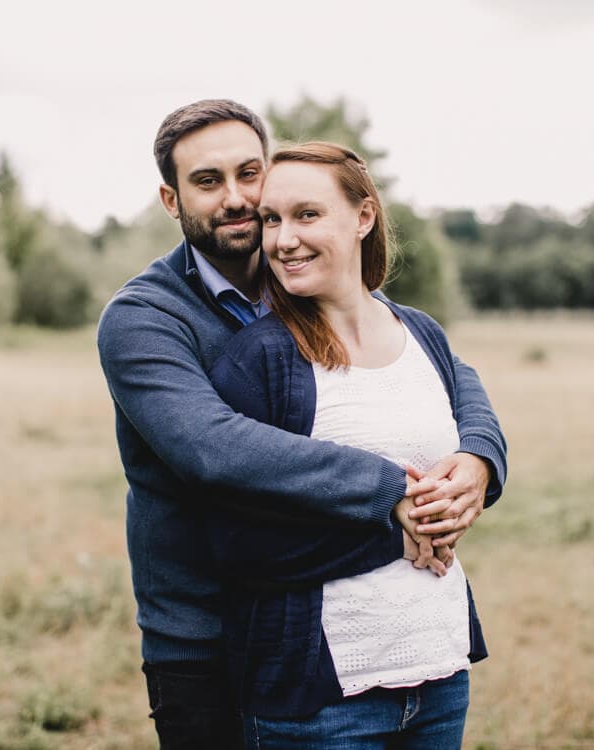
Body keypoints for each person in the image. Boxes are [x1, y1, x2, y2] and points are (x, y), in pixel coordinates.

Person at [96, 100, 507, 749]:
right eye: (207, 181)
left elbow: (441, 368)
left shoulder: (303, 275)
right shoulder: (143, 318)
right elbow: (211, 446)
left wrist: (479, 458)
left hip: (330, 628)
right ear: (171, 200)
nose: (236, 198)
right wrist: (395, 495)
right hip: (201, 636)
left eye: (248, 173)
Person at [208, 142, 492, 748]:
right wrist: (395, 533)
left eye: (307, 215)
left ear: (363, 217)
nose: (284, 240)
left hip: (439, 673)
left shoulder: (422, 333)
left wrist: (479, 468)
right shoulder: (261, 358)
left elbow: (473, 418)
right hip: (321, 705)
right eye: (271, 220)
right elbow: (234, 545)